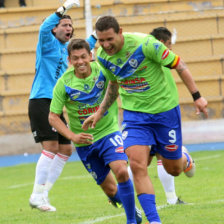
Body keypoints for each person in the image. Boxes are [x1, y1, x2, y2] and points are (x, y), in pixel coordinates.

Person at [82, 16, 208, 223]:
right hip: (135, 116)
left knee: (173, 169)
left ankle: (183, 157)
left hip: (164, 112)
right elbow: (113, 85)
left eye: (109, 39)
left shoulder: (146, 44)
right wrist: (100, 111)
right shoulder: (103, 56)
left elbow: (180, 65)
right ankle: (154, 220)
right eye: (101, 41)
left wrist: (197, 96)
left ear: (120, 32)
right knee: (137, 165)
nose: (105, 45)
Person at [48, 38, 142, 224]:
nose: (80, 61)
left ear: (90, 55)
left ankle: (131, 220)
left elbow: (117, 85)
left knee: (121, 171)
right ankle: (127, 207)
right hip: (84, 142)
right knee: (110, 189)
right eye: (75, 58)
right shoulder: (63, 83)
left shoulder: (103, 72)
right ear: (69, 60)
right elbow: (53, 117)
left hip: (108, 132)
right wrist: (73, 136)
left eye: (83, 56)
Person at [28, 0, 97, 212]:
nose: (69, 28)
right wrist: (63, 9)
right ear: (54, 28)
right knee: (51, 147)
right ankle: (36, 195)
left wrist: (97, 33)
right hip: (41, 101)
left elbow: (85, 47)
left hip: (55, 105)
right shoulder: (47, 42)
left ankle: (43, 194)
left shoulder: (65, 48)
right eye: (64, 25)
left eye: (70, 25)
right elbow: (43, 27)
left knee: (66, 149)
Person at [127, 27, 186, 205]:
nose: (170, 49)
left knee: (164, 161)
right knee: (140, 161)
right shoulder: (151, 59)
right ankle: (127, 196)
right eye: (169, 45)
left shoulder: (160, 61)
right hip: (143, 117)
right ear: (161, 44)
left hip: (163, 115)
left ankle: (172, 197)